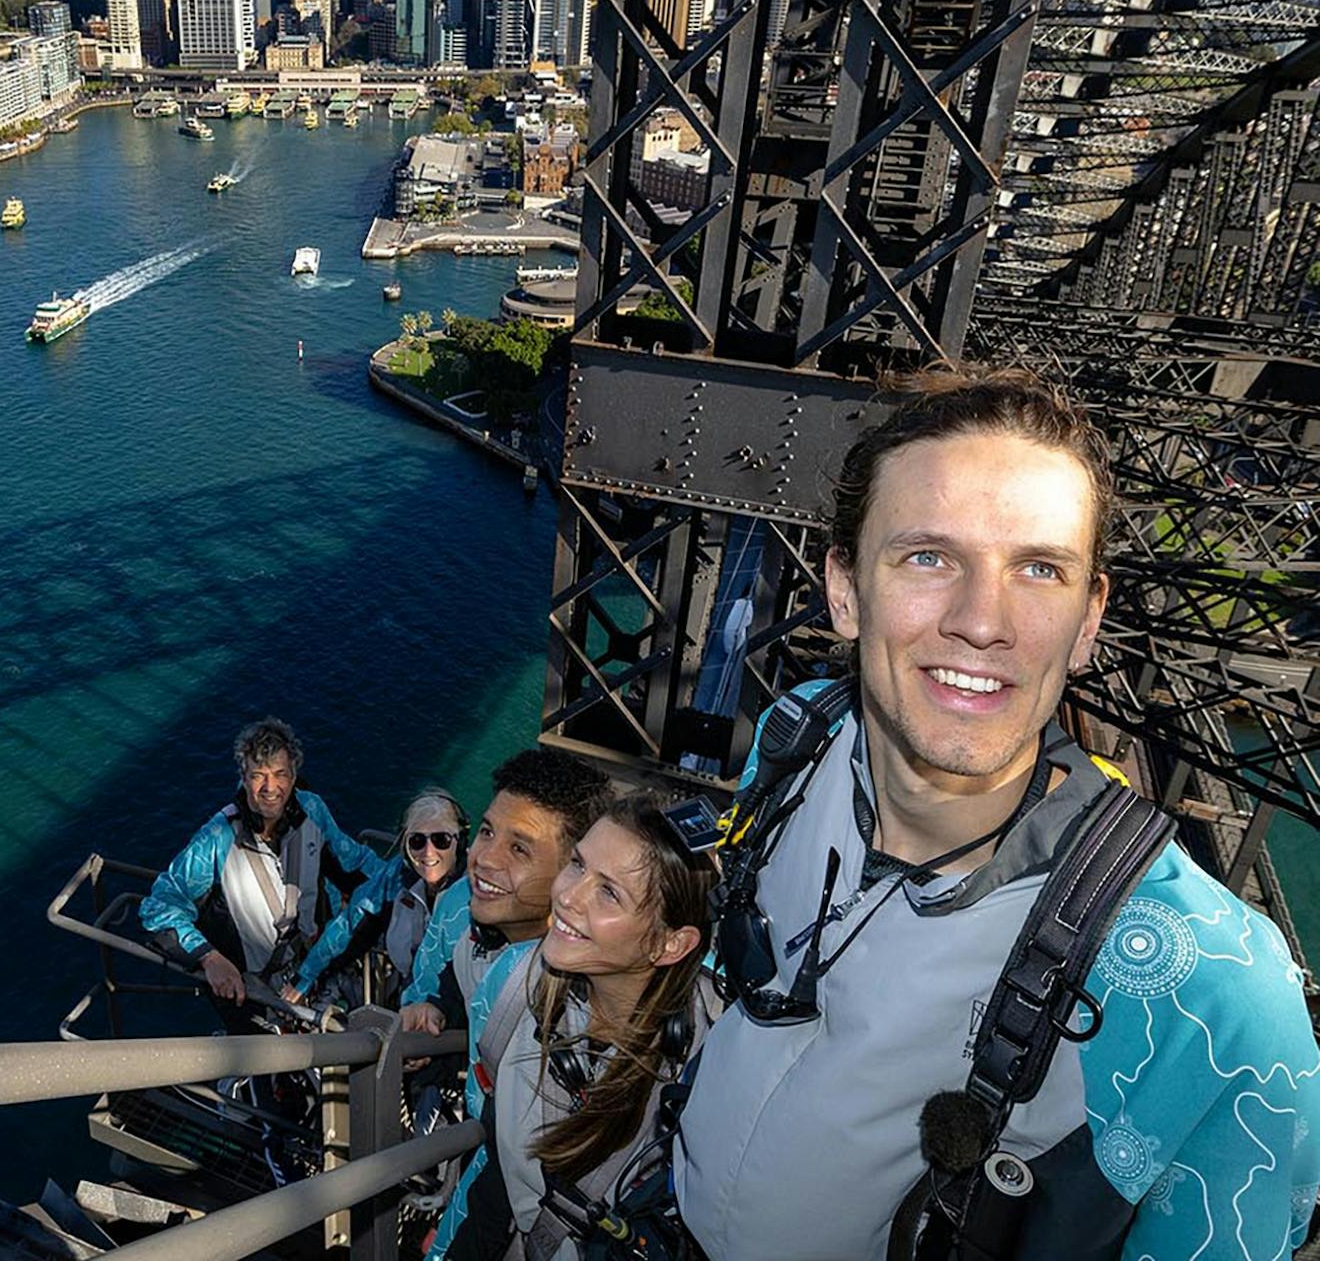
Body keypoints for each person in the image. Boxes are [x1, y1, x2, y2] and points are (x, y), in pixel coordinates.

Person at [673, 365, 1320, 1260]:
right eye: (929, 557)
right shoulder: (799, 733)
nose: (983, 621)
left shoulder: (1219, 1002)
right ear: (845, 589)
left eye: (1040, 569)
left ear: (1089, 620)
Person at [432, 793, 717, 1261]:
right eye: (578, 865)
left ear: (670, 944)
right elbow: (499, 1184)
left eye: (609, 892)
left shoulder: (710, 1072)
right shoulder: (520, 992)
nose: (567, 895)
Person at [140, 717, 385, 1028]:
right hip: (247, 987)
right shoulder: (218, 838)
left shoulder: (312, 811)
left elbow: (354, 863)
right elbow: (160, 904)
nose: (270, 788)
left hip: (309, 968)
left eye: (280, 774)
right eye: (259, 776)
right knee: (270, 1068)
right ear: (243, 778)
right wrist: (209, 958)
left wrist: (417, 876)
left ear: (294, 776)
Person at [398, 748, 612, 1056]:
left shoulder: (588, 1004)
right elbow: (458, 991)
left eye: (519, 849)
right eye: (487, 832)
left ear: (574, 873)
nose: (484, 858)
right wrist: (435, 1009)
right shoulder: (471, 945)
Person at [283, 787, 470, 1011]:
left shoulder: (475, 891)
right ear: (405, 844)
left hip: (462, 1007)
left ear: (459, 841)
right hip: (412, 1003)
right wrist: (305, 977)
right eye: (417, 841)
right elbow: (351, 922)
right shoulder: (396, 878)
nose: (428, 852)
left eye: (441, 840)